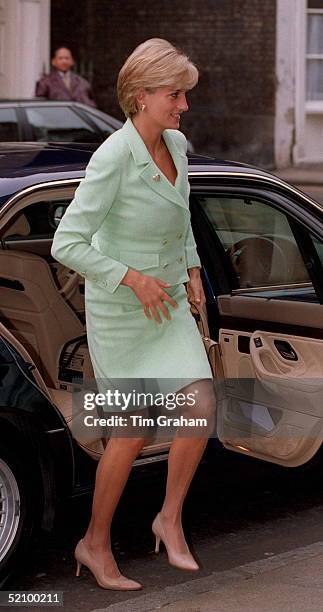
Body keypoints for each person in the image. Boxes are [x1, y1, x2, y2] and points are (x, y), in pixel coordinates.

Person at [51, 38, 216, 591]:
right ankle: (94, 544)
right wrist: (133, 277)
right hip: (122, 311)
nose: (183, 106)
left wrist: (192, 271)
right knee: (130, 432)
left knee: (200, 402)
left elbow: (182, 220)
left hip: (168, 305)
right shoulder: (113, 156)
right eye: (176, 95)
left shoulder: (177, 144)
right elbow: (66, 243)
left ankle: (168, 518)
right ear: (142, 97)